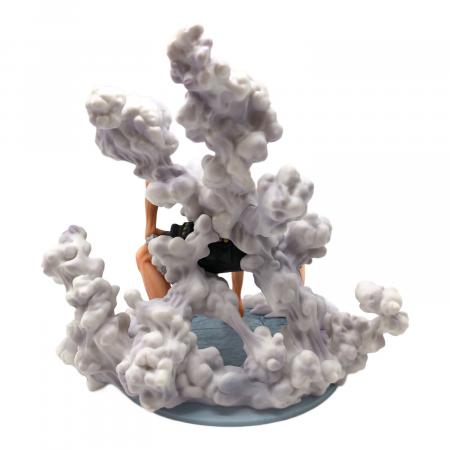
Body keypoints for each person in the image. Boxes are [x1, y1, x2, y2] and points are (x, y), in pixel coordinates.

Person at [136, 183, 305, 317]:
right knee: (145, 255)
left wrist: (237, 295)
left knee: (294, 246)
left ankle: (168, 323)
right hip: (206, 237)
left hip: (222, 239)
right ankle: (168, 323)